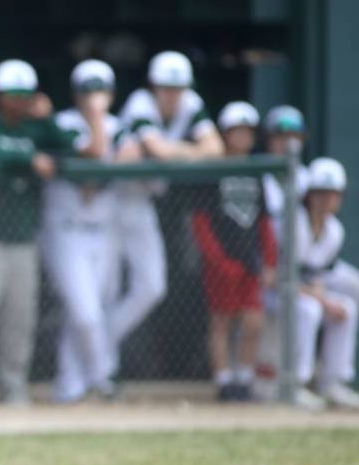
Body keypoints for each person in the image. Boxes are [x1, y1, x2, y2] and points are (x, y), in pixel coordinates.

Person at [0, 59, 76, 405]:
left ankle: (13, 388)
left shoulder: (36, 128)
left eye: (26, 95)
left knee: (19, 320)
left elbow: (70, 145)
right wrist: (29, 159)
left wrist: (47, 119)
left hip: (23, 240)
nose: (20, 102)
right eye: (13, 95)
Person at [41, 59, 141, 402]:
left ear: (112, 93)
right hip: (66, 231)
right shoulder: (62, 124)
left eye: (100, 91)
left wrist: (106, 164)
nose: (93, 98)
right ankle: (103, 376)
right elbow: (96, 150)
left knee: (91, 311)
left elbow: (132, 157)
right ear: (76, 94)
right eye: (87, 91)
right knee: (84, 311)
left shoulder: (121, 126)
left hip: (104, 230)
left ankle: (70, 384)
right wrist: (98, 123)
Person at [116, 51, 224, 358]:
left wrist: (178, 151)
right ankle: (91, 372)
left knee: (151, 287)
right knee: (101, 292)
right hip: (112, 201)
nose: (173, 95)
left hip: (142, 203)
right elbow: (158, 150)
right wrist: (192, 150)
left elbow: (216, 148)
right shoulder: (140, 103)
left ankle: (100, 349)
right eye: (167, 88)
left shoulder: (191, 103)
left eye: (178, 88)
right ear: (154, 86)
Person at [191, 102, 277, 401]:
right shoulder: (213, 171)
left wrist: (269, 261)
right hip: (221, 260)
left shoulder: (256, 171)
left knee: (254, 321)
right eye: (236, 132)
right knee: (221, 321)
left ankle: (243, 379)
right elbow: (200, 223)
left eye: (247, 132)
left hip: (249, 259)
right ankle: (224, 381)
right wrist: (216, 260)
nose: (242, 138)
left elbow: (265, 222)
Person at [293, 158, 359, 409]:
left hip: (306, 291)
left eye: (332, 195)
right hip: (279, 293)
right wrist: (322, 300)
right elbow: (280, 279)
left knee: (347, 308)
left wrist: (324, 299)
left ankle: (332, 383)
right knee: (310, 310)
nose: (326, 201)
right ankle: (297, 383)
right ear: (309, 195)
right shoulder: (294, 223)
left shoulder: (334, 230)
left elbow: (319, 275)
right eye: (320, 194)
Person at [261, 105, 309, 232]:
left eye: (294, 136)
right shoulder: (256, 176)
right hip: (263, 249)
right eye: (280, 136)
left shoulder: (309, 180)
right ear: (268, 139)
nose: (287, 142)